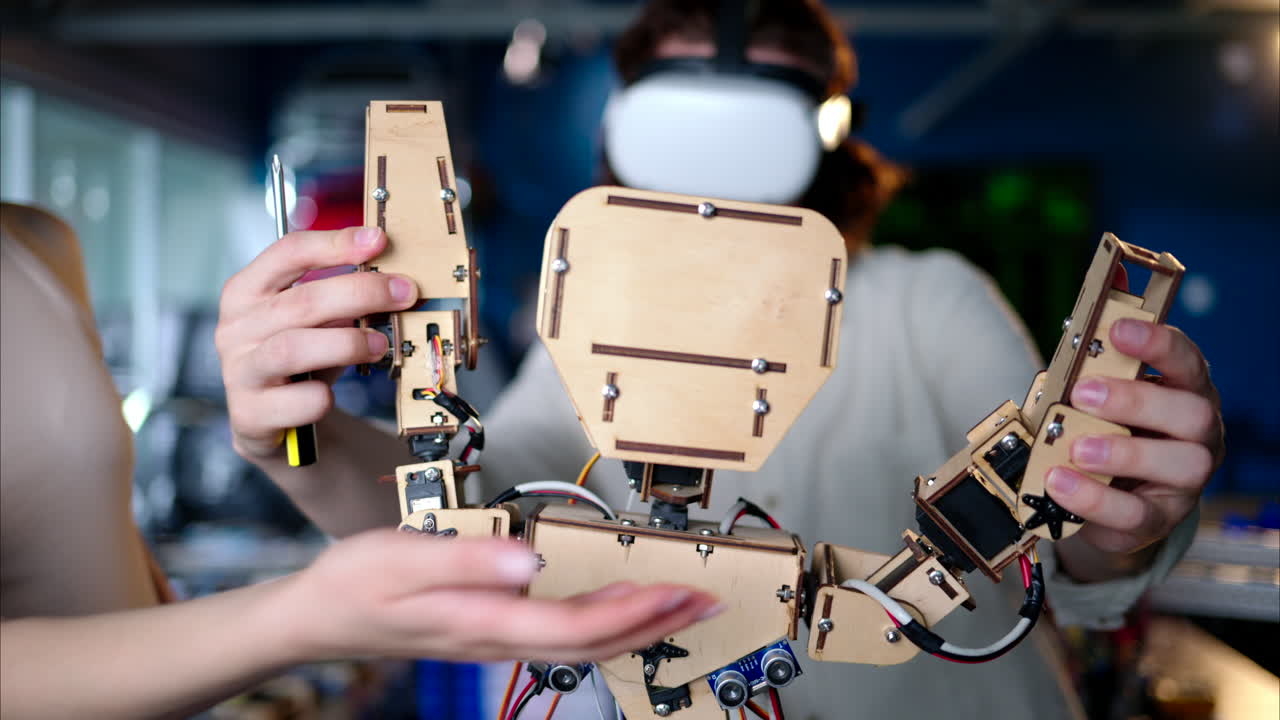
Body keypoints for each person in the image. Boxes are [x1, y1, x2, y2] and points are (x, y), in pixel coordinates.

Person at [216, 1, 1225, 718]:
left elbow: (1062, 548)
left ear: (826, 135)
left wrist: (1115, 514)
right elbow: (437, 519)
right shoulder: (592, 317)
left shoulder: (925, 298)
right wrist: (290, 440)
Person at [0, 202, 721, 719]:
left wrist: (296, 441)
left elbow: (490, 496)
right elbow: (503, 494)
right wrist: (300, 611)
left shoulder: (35, 244)